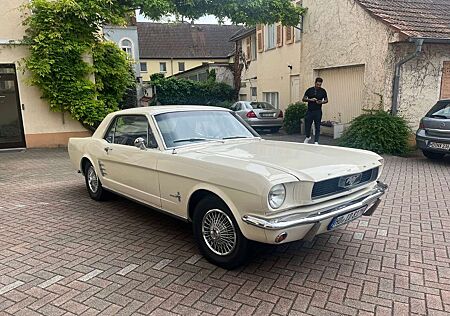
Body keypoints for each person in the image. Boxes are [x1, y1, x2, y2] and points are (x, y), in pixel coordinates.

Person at [302, 77, 328, 144]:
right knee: (307, 125)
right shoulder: (309, 90)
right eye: (317, 84)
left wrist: (321, 102)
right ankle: (308, 137)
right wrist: (310, 100)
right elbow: (303, 99)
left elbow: (326, 100)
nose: (318, 86)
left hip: (318, 111)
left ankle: (316, 141)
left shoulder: (323, 91)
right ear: (315, 83)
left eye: (320, 85)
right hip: (310, 110)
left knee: (317, 126)